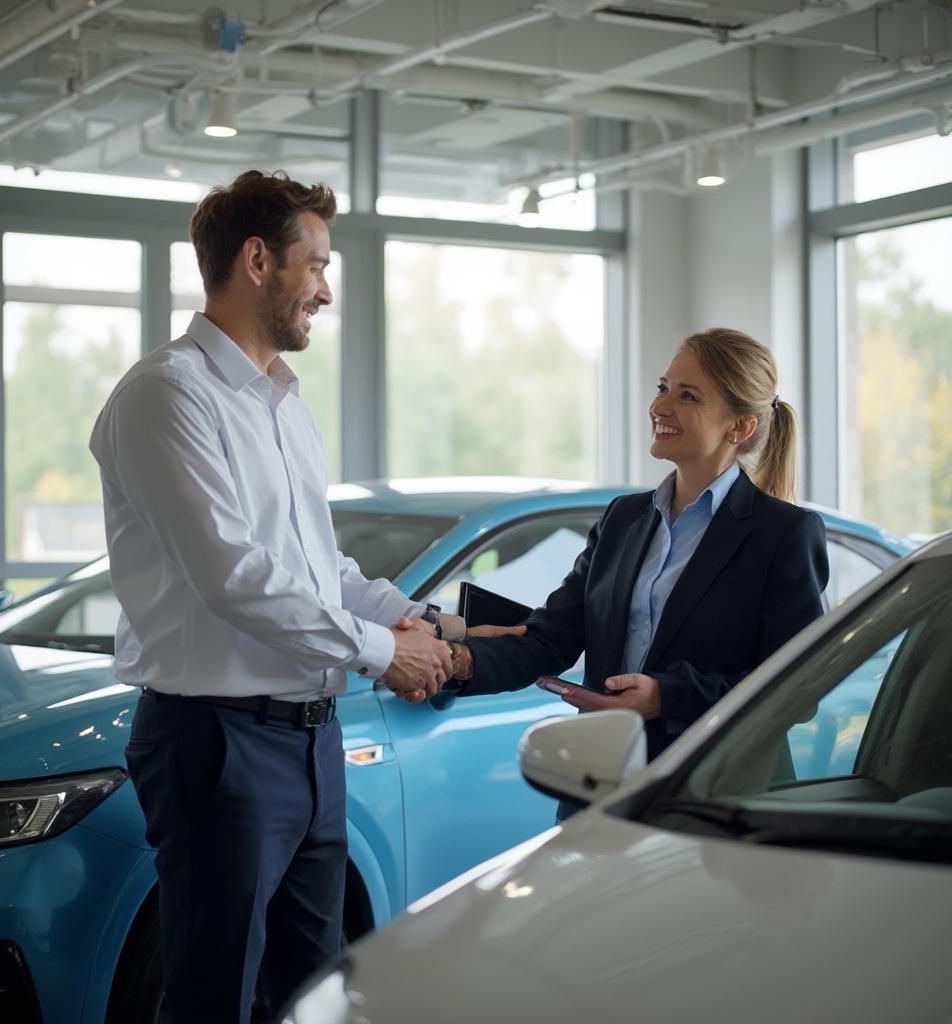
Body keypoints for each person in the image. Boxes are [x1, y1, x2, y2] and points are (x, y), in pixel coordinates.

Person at [89, 170, 464, 1023]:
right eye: (317, 264)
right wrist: (384, 653)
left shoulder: (286, 409)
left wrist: (410, 620)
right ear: (258, 260)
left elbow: (318, 571)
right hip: (217, 744)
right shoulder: (166, 395)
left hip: (310, 742)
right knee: (213, 995)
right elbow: (233, 577)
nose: (326, 291)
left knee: (314, 994)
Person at [444, 327, 829, 776]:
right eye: (664, 388)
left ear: (740, 426)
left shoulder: (784, 532)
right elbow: (555, 636)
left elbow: (797, 692)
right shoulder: (623, 519)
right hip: (604, 781)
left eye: (688, 396)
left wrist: (666, 697)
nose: (660, 406)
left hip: (716, 795)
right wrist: (456, 661)